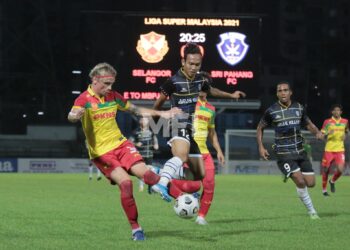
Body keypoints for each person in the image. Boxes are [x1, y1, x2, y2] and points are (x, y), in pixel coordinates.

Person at [67, 62, 181, 241]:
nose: (110, 87)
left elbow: (135, 109)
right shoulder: (83, 99)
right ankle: (136, 229)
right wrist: (75, 116)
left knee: (148, 175)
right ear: (95, 80)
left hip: (121, 145)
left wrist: (164, 114)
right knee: (126, 183)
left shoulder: (113, 96)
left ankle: (182, 197)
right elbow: (72, 115)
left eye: (112, 83)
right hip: (102, 153)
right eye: (106, 84)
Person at [152, 42, 245, 197]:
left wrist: (232, 95)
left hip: (189, 128)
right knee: (181, 157)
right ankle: (161, 184)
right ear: (183, 62)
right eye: (191, 64)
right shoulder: (173, 81)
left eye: (197, 64)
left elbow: (212, 90)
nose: (194, 67)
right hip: (176, 123)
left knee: (198, 175)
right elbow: (158, 103)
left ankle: (159, 172)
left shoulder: (200, 80)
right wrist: (161, 116)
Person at [256, 81, 323, 219]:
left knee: (311, 183)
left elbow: (308, 124)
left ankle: (291, 174)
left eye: (285, 90)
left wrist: (316, 132)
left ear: (290, 92)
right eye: (280, 91)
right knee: (300, 181)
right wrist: (261, 147)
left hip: (300, 151)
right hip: (283, 153)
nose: (283, 93)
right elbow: (260, 127)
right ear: (277, 94)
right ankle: (312, 211)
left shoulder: (299, 107)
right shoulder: (272, 111)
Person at [193, 91, 225, 225]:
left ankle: (201, 217)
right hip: (190, 152)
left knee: (210, 184)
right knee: (191, 186)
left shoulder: (211, 109)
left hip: (205, 153)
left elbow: (212, 133)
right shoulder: (189, 104)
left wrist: (219, 150)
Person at [320, 104, 349, 196]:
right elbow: (321, 135)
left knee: (340, 170)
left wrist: (346, 135)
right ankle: (324, 190)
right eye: (335, 110)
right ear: (332, 112)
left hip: (340, 149)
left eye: (338, 110)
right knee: (326, 170)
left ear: (341, 112)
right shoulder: (327, 122)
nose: (336, 112)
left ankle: (332, 181)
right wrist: (328, 133)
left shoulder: (345, 121)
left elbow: (347, 131)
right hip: (329, 149)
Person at [129, 117, 159, 191]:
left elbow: (154, 137)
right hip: (140, 154)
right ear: (140, 121)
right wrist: (136, 143)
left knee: (150, 170)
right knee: (142, 171)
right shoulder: (136, 131)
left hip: (149, 153)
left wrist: (156, 144)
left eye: (146, 120)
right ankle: (141, 186)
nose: (144, 121)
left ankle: (150, 186)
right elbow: (130, 141)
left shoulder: (151, 131)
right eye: (143, 120)